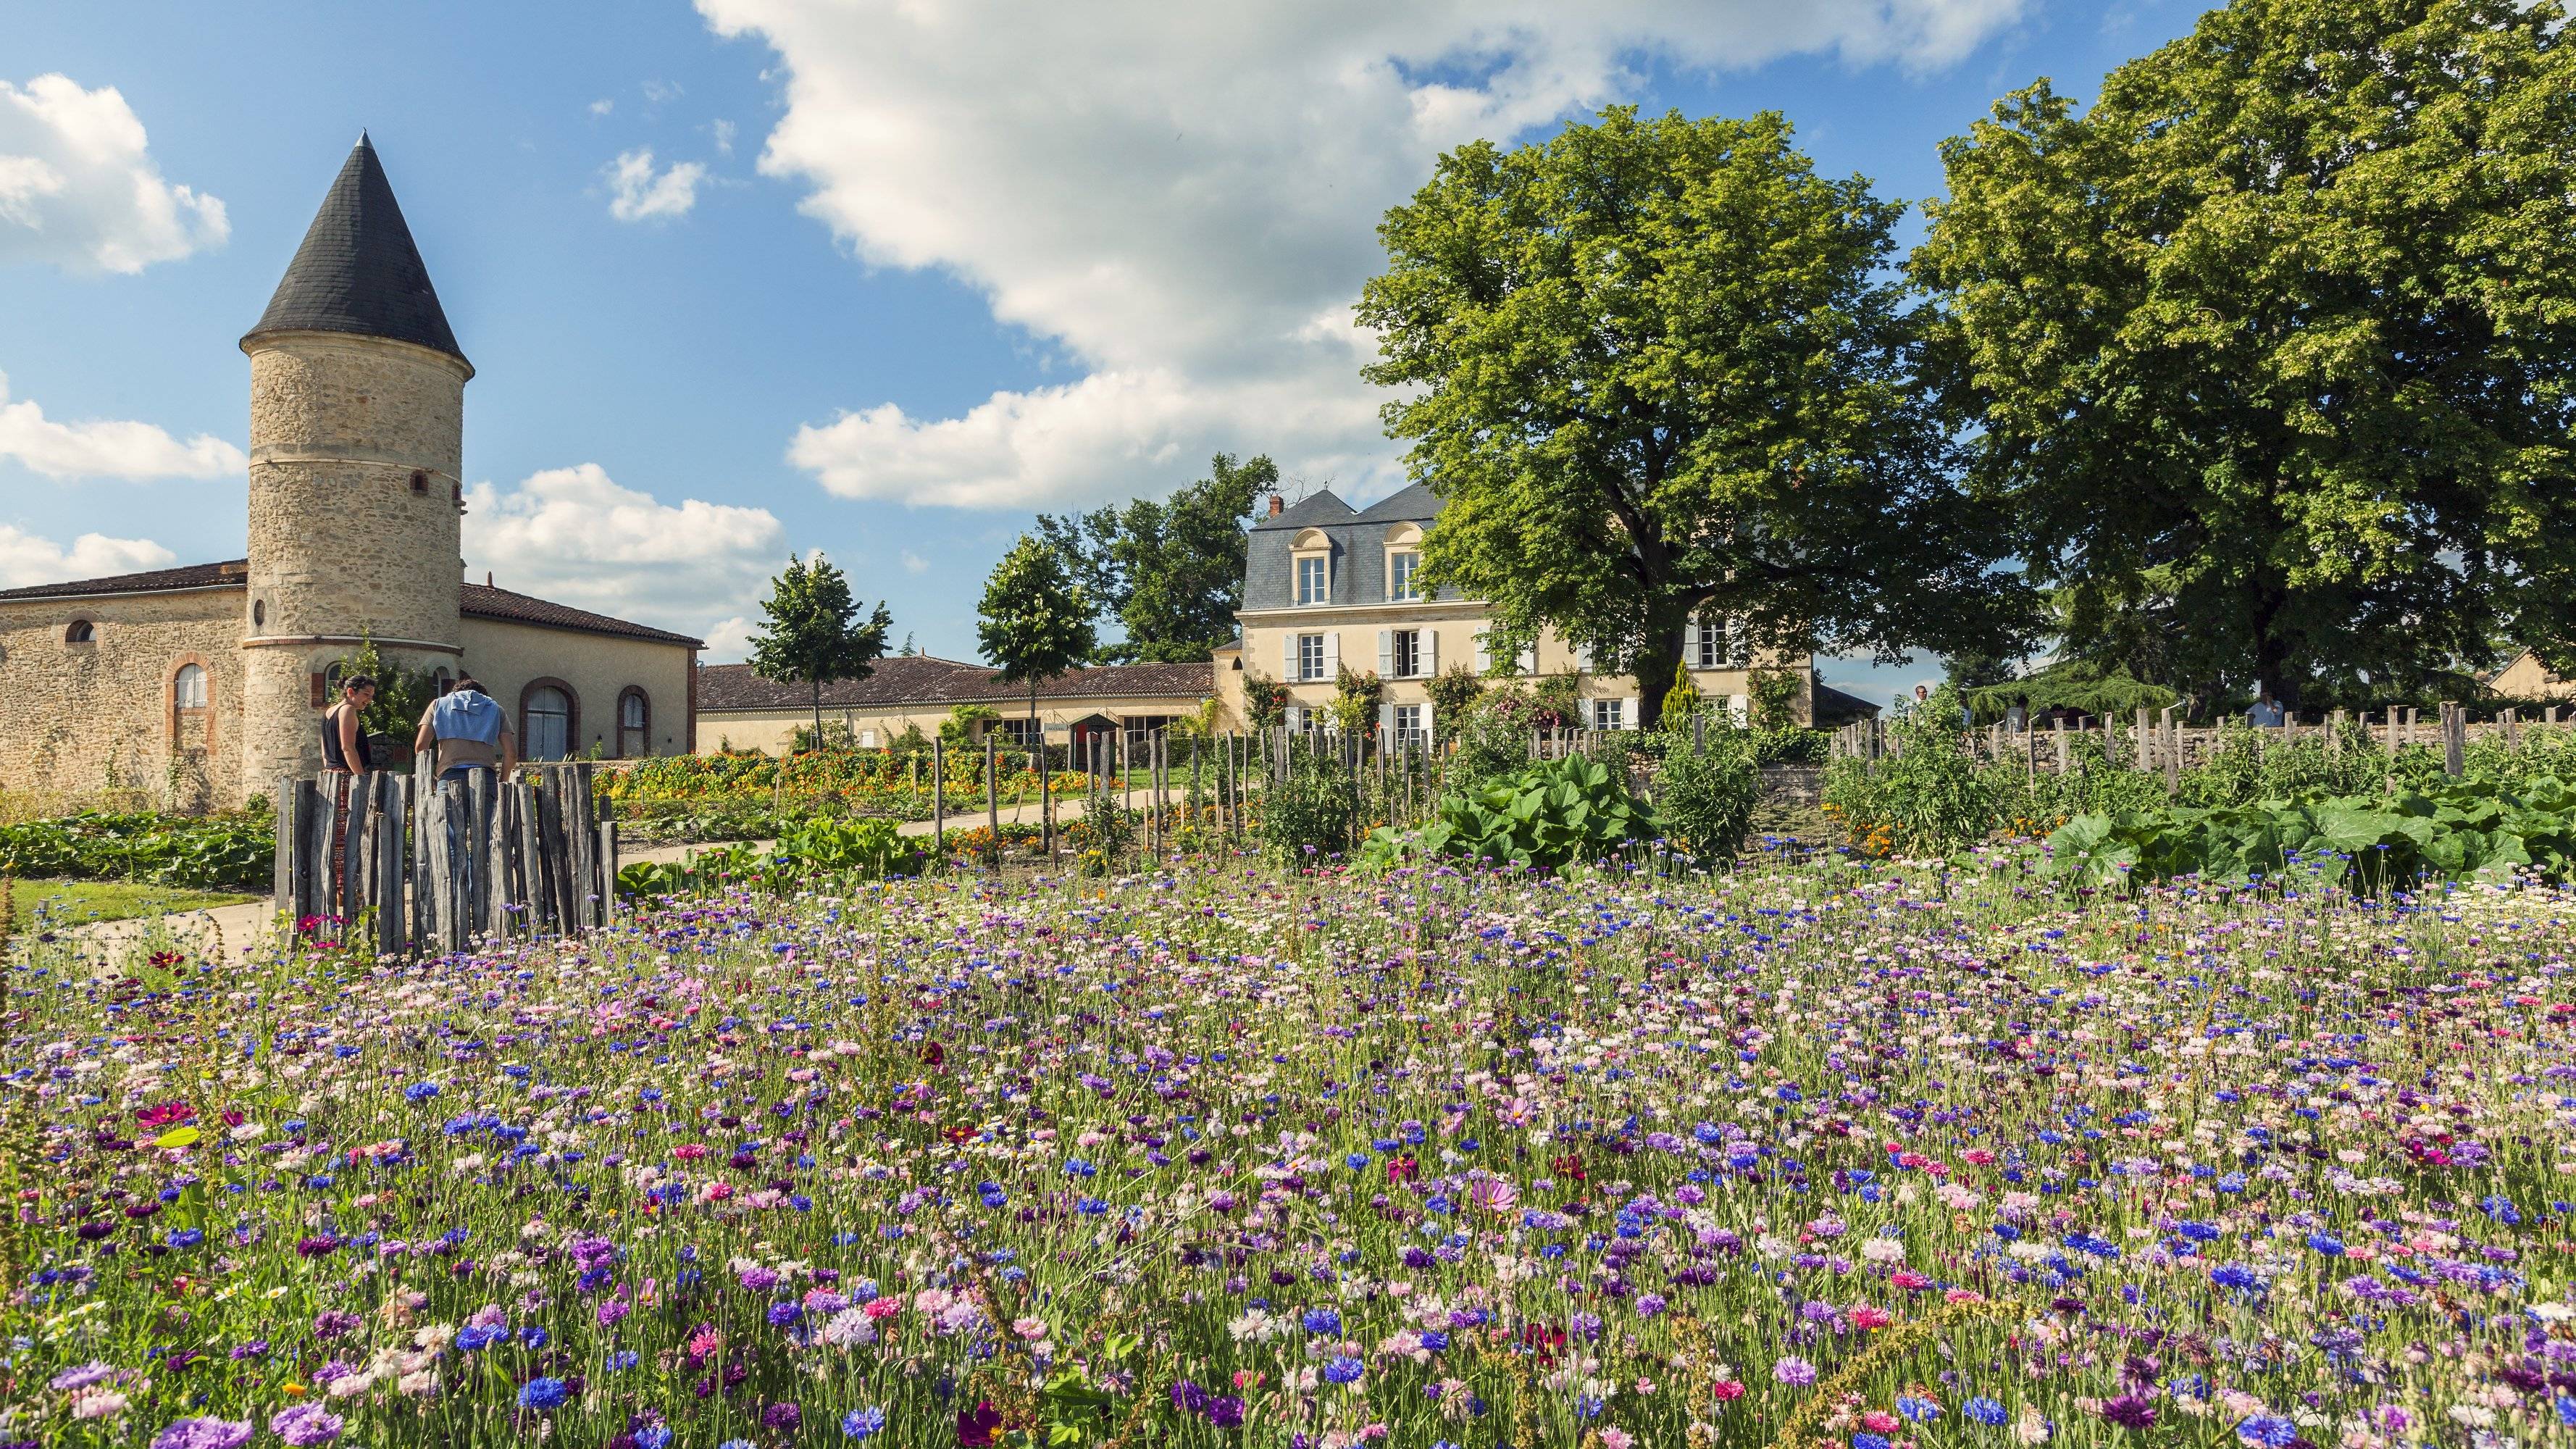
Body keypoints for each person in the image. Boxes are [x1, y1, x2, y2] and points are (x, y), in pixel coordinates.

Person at [414, 677, 518, 780]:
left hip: (449, 775)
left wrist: (430, 778)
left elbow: (421, 746)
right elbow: (511, 753)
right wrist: (503, 780)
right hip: (486, 777)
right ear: (484, 697)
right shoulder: (497, 710)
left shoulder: (437, 705)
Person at [322, 674, 376, 777]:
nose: (370, 699)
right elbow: (347, 748)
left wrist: (331, 770)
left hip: (331, 775)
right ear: (351, 692)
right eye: (366, 694)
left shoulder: (329, 712)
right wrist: (361, 777)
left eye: (372, 696)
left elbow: (325, 752)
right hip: (348, 776)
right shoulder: (348, 710)